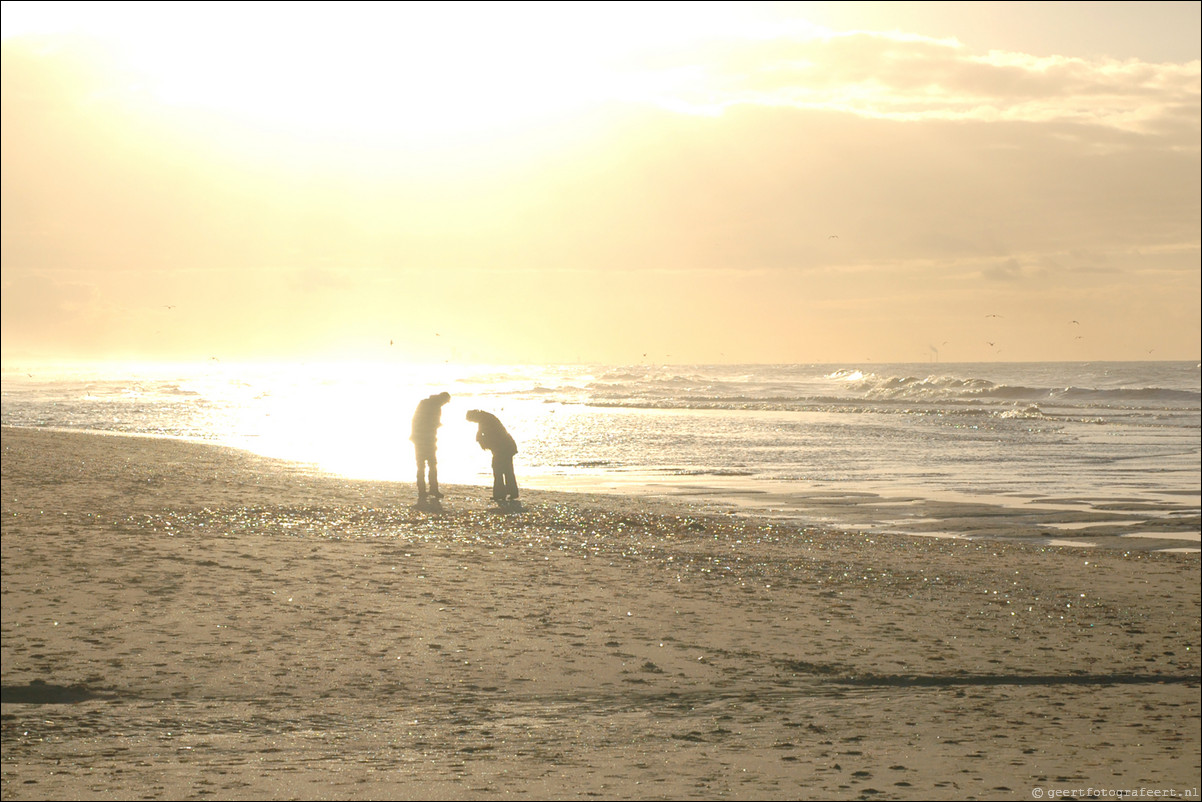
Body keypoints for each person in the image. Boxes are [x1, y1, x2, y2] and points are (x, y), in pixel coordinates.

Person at [465, 409, 518, 503]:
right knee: (507, 469)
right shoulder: (485, 418)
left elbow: (486, 435)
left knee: (498, 469)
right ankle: (510, 493)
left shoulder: (485, 420)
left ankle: (500, 494)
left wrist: (483, 442)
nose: (474, 422)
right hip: (506, 446)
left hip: (502, 447)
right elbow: (482, 434)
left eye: (472, 420)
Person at [411, 392, 451, 504]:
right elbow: (427, 422)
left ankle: (424, 490)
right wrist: (436, 425)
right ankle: (431, 489)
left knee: (423, 465)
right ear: (443, 399)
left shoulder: (426, 403)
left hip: (420, 437)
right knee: (430, 464)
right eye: (446, 402)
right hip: (425, 438)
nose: (444, 404)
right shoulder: (434, 406)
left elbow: (415, 420)